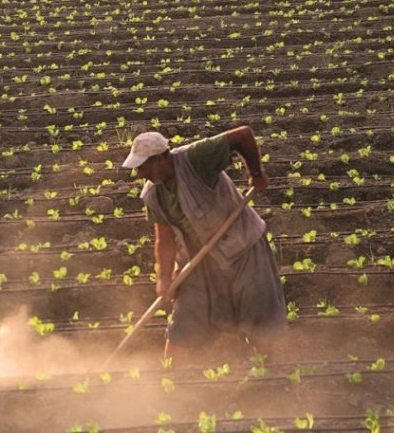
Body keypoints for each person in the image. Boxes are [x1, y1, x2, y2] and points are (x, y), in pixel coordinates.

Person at [122, 127, 286, 362]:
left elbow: (244, 136)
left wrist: (256, 174)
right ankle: (170, 384)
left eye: (143, 166)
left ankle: (264, 375)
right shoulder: (153, 195)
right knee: (184, 323)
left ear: (160, 158)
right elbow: (164, 239)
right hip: (199, 262)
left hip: (243, 249)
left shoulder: (195, 158)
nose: (139, 174)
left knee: (257, 319)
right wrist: (165, 278)